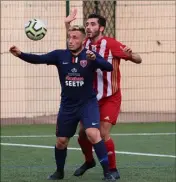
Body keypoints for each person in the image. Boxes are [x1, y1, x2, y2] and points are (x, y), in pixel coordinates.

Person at [9, 25, 116, 181]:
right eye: (69, 37)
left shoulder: (90, 55)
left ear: (82, 40)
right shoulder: (59, 55)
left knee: (93, 133)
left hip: (87, 103)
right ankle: (59, 172)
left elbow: (109, 67)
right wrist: (20, 54)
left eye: (75, 38)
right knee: (61, 141)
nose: (71, 41)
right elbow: (39, 59)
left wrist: (97, 59)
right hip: (68, 105)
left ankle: (108, 173)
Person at [65, 9, 142, 180]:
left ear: (101, 28)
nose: (89, 27)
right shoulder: (84, 44)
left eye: (92, 24)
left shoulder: (111, 44)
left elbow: (138, 59)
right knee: (83, 134)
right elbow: (72, 40)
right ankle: (89, 161)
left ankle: (112, 170)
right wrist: (67, 24)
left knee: (102, 132)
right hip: (91, 98)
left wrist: (132, 54)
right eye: (87, 24)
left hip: (110, 97)